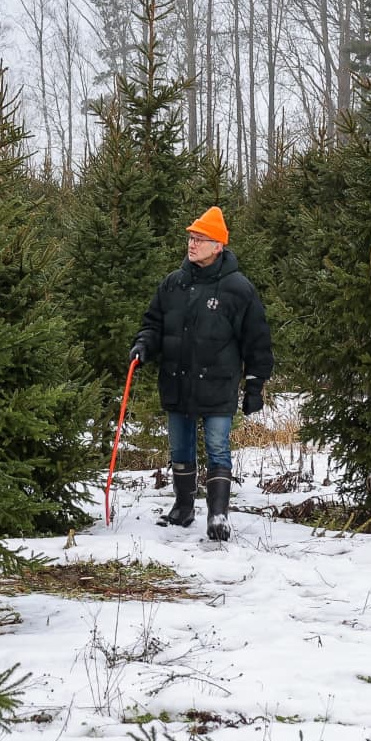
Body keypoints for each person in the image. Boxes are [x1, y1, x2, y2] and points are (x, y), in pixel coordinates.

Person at [129, 207, 274, 541]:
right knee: (180, 448)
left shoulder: (239, 289)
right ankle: (182, 508)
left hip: (218, 384)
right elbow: (153, 323)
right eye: (190, 237)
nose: (192, 244)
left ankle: (218, 516)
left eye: (200, 239)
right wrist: (143, 346)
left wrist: (255, 385)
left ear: (218, 246)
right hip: (177, 379)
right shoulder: (173, 283)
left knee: (218, 447)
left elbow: (257, 341)